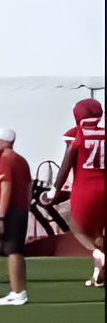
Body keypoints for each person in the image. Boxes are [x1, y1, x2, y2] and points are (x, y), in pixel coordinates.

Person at [48, 99, 105, 285]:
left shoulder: (76, 134)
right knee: (99, 231)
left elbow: (66, 165)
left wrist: (54, 189)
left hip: (85, 188)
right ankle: (98, 273)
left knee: (76, 225)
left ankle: (96, 253)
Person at [0, 128, 32, 306]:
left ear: (5, 142)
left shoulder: (6, 160)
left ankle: (17, 292)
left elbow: (6, 188)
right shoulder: (21, 160)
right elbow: (29, 186)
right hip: (20, 208)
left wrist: (0, 218)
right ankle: (18, 290)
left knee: (13, 251)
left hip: (11, 210)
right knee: (16, 251)